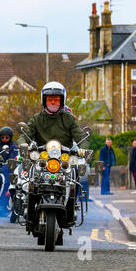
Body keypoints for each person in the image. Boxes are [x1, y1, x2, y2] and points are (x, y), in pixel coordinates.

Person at [16, 81, 89, 240]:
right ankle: (30, 214)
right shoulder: (37, 119)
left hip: (64, 159)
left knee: (74, 177)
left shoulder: (68, 119)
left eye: (56, 99)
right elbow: (26, 134)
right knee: (31, 179)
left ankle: (70, 210)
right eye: (50, 99)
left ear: (62, 100)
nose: (53, 102)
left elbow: (81, 136)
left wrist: (83, 147)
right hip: (43, 158)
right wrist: (23, 144)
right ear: (44, 100)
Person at [0, 127, 18, 220]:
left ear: (10, 138)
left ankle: (1, 203)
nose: (4, 139)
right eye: (3, 137)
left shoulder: (13, 147)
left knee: (7, 182)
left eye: (6, 138)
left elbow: (12, 160)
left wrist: (3, 168)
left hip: (8, 168)